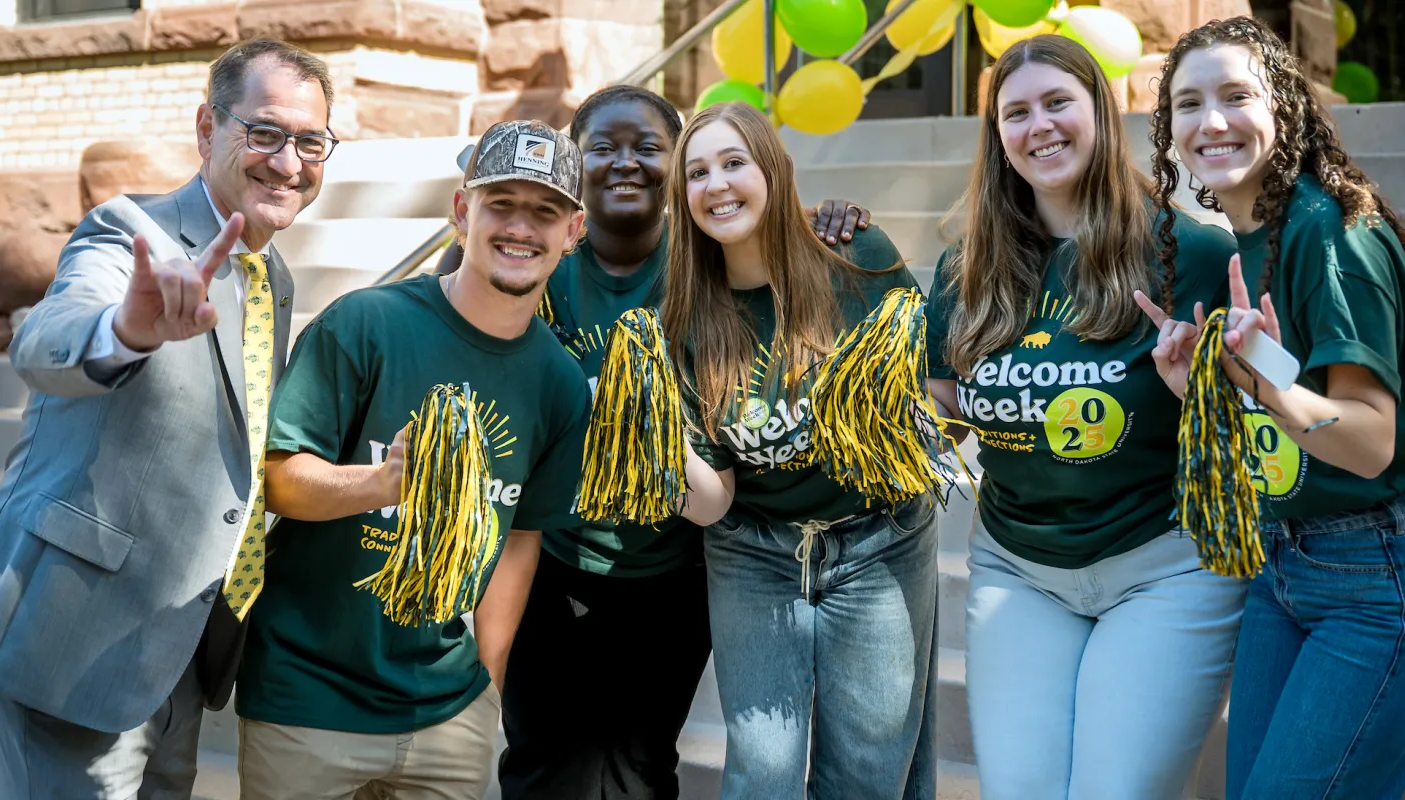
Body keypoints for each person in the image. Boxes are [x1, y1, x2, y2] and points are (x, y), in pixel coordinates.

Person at [0, 37, 330, 796]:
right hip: (68, 639)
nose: (288, 162)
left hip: (177, 650)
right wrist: (125, 330)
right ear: (207, 129)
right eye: (265, 132)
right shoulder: (129, 232)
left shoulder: (272, 276)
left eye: (310, 141)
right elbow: (45, 341)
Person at [231, 119, 644, 799]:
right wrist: (379, 483)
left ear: (573, 232)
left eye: (545, 212)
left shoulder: (560, 384)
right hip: (308, 696)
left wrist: (488, 681)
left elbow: (521, 537)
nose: (521, 228)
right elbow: (276, 480)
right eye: (501, 204)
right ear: (462, 212)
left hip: (449, 715)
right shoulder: (366, 323)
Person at [490, 84, 875, 800]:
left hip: (673, 566)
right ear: (576, 161)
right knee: (543, 757)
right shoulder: (540, 264)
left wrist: (824, 216)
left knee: (639, 768)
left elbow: (769, 233)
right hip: (553, 557)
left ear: (676, 165)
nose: (625, 162)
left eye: (649, 147)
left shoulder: (707, 264)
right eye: (602, 148)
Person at [920, 34, 1248, 799]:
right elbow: (946, 411)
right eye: (1016, 113)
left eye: (1057, 102)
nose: (1039, 126)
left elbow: (1252, 426)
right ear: (998, 135)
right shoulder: (966, 269)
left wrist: (1197, 389)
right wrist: (879, 415)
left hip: (1166, 567)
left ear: (1099, 109)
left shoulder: (1190, 255)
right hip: (1017, 569)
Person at [1146, 17, 1405, 799]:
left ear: (1283, 106)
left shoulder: (1327, 234)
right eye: (1188, 103)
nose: (1211, 121)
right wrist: (1195, 387)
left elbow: (1370, 443)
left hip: (1375, 577)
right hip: (1283, 563)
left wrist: (1262, 384)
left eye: (1235, 95)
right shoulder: (1253, 237)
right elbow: (1285, 420)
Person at [660, 101, 938, 800]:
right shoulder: (687, 315)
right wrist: (652, 431)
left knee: (867, 775)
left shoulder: (855, 255)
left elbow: (930, 392)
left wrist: (914, 425)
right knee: (762, 773)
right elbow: (711, 501)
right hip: (753, 551)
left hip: (881, 538)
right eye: (697, 172)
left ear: (775, 171)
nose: (716, 184)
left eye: (734, 163)